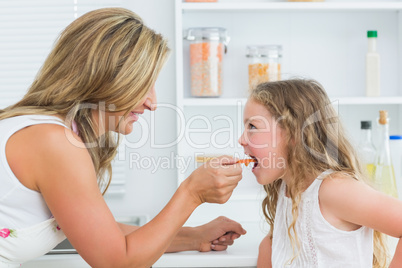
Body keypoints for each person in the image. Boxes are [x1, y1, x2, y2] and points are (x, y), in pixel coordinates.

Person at [0, 8, 245, 268]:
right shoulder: (54, 143)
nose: (153, 103)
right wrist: (191, 193)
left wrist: (193, 237)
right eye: (143, 85)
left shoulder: (49, 131)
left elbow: (99, 233)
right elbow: (116, 261)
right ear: (106, 79)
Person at [238, 79, 402, 268]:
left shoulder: (333, 190)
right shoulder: (287, 188)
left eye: (252, 127)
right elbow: (274, 242)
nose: (241, 139)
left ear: (293, 134)